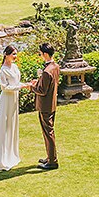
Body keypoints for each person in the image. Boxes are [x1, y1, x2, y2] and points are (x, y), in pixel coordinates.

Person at [29, 42, 60, 170]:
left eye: (41, 54)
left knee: (48, 133)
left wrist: (32, 86)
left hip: (45, 106)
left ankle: (52, 161)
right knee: (48, 131)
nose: (40, 56)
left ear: (45, 54)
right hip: (51, 104)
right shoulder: (55, 67)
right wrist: (39, 82)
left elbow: (42, 90)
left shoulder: (47, 71)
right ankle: (50, 157)